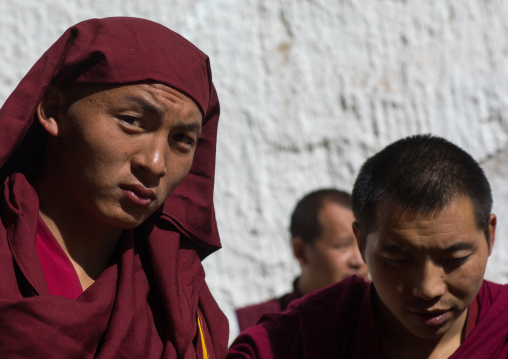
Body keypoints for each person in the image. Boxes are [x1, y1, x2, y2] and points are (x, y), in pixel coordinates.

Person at [0, 17, 228, 358]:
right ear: (53, 110)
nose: (155, 163)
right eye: (132, 121)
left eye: (181, 140)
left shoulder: (177, 301)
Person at [227, 134, 508, 358]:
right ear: (361, 243)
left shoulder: (501, 327)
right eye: (398, 260)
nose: (428, 289)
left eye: (455, 259)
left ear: (490, 235)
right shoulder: (297, 340)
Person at [235, 189, 369, 332]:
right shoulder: (255, 326)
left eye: (364, 244)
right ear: (301, 252)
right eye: (342, 246)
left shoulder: (386, 316)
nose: (359, 261)